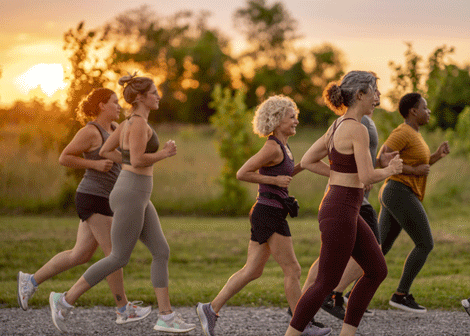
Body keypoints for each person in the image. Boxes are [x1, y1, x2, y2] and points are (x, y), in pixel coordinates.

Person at [48, 74, 195, 334]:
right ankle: (65, 300)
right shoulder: (137, 124)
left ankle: (166, 316)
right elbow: (137, 161)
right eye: (154, 92)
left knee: (161, 251)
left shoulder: (126, 124)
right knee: (118, 257)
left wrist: (126, 161)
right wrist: (164, 153)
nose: (158, 96)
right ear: (140, 97)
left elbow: (105, 152)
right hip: (131, 193)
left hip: (136, 193)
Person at [196, 95, 331, 336]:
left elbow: (287, 173)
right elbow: (242, 173)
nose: (296, 121)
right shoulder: (272, 146)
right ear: (277, 120)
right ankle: (302, 325)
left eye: (296, 117)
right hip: (268, 213)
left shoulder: (284, 147)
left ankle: (210, 309)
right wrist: (273, 180)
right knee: (293, 270)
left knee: (252, 270)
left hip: (268, 212)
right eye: (292, 117)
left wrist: (308, 163)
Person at [17, 88, 151, 324]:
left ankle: (31, 281)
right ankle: (122, 309)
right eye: (113, 102)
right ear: (101, 105)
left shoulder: (114, 130)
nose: (118, 106)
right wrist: (95, 165)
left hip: (106, 199)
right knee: (114, 253)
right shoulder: (91, 131)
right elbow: (65, 157)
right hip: (92, 196)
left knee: (79, 254)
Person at [285, 71, 403, 336]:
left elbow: (307, 159)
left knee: (375, 269)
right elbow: (367, 176)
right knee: (325, 282)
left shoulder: (338, 125)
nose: (377, 97)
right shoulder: (358, 129)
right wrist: (391, 169)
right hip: (340, 210)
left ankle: (347, 333)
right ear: (360, 94)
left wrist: (338, 174)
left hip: (342, 207)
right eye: (374, 90)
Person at [377, 92, 450, 313]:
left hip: (399, 192)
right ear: (413, 111)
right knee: (425, 244)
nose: (428, 112)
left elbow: (420, 165)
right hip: (399, 191)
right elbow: (382, 159)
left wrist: (436, 156)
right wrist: (413, 170)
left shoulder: (415, 134)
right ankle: (400, 295)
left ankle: (348, 293)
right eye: (425, 108)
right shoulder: (402, 132)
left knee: (380, 248)